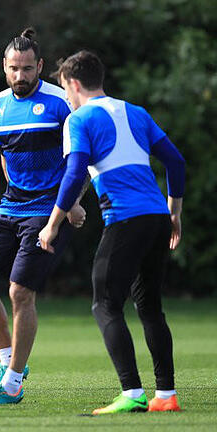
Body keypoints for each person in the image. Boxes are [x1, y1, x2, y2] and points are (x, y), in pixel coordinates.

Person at [39, 50, 185, 414]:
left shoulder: (79, 119)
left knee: (105, 304)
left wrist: (52, 224)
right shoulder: (136, 112)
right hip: (157, 217)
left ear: (73, 84)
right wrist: (174, 213)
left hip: (125, 218)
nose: (68, 98)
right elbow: (176, 162)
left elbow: (74, 174)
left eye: (66, 91)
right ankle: (165, 396)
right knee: (150, 307)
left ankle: (132, 392)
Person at [0, 28, 86, 405]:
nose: (21, 76)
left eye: (28, 69)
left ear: (41, 67)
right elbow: (5, 154)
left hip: (49, 209)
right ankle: (8, 362)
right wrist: (13, 188)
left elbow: (80, 158)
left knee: (19, 291)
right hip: (10, 207)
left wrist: (74, 202)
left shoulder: (61, 103)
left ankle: (12, 385)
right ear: (4, 67)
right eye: (14, 69)